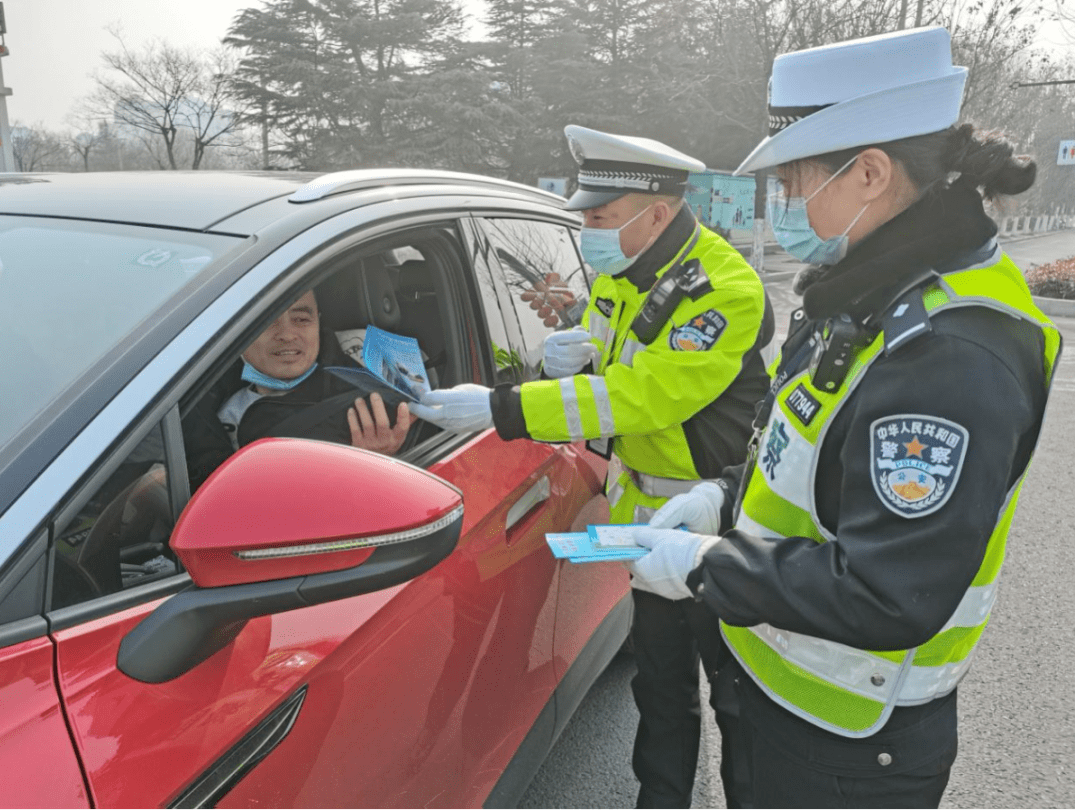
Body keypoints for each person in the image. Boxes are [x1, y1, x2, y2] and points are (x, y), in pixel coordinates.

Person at [629, 26, 1061, 809]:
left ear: (868, 173)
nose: (786, 206)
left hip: (850, 744)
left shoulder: (950, 350)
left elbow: (889, 590)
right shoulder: (867, 288)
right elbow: (802, 445)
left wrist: (707, 564)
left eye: (794, 184)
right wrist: (723, 496)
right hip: (786, 697)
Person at [411, 125, 774, 809]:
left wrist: (503, 406)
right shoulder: (620, 271)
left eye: (600, 218)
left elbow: (646, 396)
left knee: (738, 702)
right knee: (660, 690)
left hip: (717, 522)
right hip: (642, 514)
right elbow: (616, 354)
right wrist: (571, 345)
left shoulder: (723, 290)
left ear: (657, 214)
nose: (586, 232)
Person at [185, 289, 415, 489]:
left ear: (318, 323)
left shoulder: (366, 406)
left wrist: (377, 464)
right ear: (238, 333)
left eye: (302, 320)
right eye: (267, 321)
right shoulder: (198, 402)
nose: (286, 335)